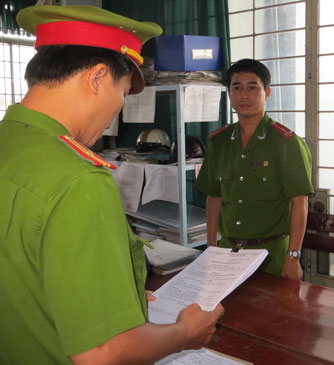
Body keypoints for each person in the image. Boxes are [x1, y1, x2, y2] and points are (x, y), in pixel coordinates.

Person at [0, 5, 223, 364]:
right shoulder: (78, 179)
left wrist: (119, 301)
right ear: (97, 78)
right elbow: (102, 354)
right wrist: (185, 333)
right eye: (122, 91)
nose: (118, 108)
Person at [194, 59, 314, 280]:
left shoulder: (286, 142)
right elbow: (214, 198)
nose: (244, 95)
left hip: (272, 255)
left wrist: (293, 257)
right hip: (228, 252)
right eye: (236, 88)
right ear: (229, 94)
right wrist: (211, 248)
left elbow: (300, 203)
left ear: (267, 93)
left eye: (252, 87)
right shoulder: (219, 142)